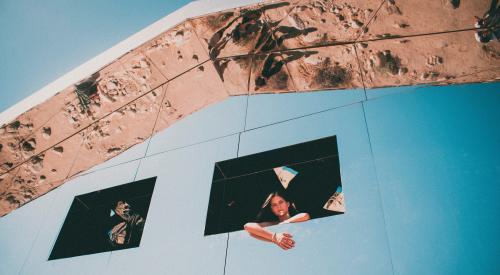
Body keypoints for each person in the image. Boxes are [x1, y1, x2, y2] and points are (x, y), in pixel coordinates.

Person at [244, 191, 310, 250]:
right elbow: (247, 226)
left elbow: (305, 216)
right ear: (272, 209)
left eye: (281, 202)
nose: (278, 206)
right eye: (274, 205)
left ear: (287, 204)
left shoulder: (298, 218)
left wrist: (285, 223)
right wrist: (274, 237)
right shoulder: (272, 225)